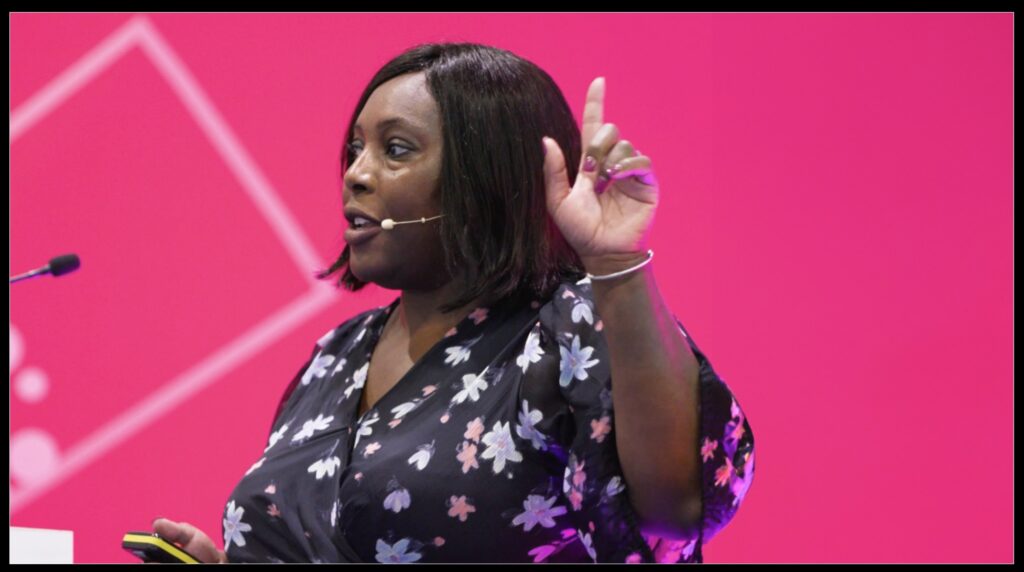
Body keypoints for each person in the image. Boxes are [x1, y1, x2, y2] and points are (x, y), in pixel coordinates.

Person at [151, 42, 754, 564]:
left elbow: (679, 511)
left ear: (484, 177)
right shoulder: (337, 354)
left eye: (396, 149)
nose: (355, 175)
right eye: (355, 149)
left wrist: (617, 266)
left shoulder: (568, 326)